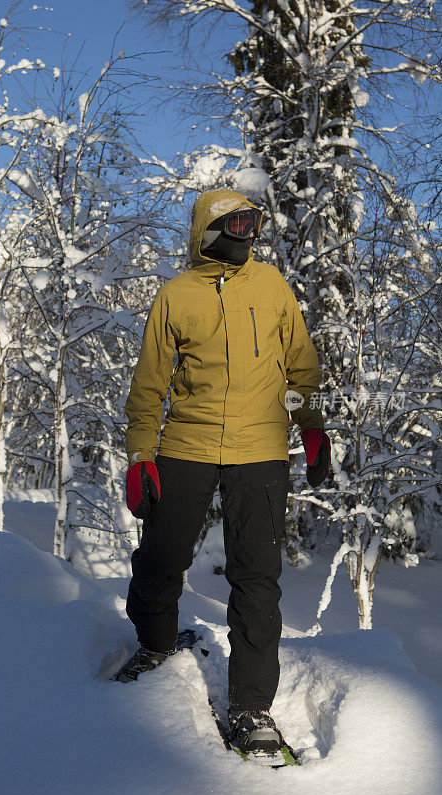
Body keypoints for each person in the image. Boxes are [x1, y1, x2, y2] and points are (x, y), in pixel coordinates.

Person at [115, 188, 331, 755]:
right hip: (185, 444)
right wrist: (142, 454)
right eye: (237, 224)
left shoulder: (271, 287)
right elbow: (150, 384)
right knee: (160, 560)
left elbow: (302, 366)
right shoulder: (176, 296)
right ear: (211, 230)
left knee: (257, 578)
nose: (249, 235)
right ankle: (156, 645)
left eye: (254, 225)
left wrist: (310, 426)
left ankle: (252, 706)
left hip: (259, 452)